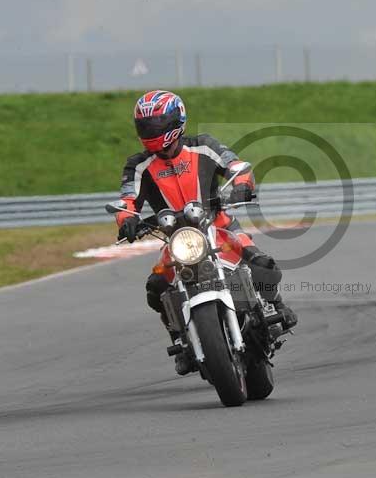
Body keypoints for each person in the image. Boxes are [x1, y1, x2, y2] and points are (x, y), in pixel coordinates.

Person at [114, 90, 297, 375]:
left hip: (219, 225)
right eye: (145, 126)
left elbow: (236, 165)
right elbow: (127, 200)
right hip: (175, 238)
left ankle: (276, 307)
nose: (150, 131)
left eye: (156, 125)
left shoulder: (203, 146)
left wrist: (243, 183)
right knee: (156, 287)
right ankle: (180, 339)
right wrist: (127, 220)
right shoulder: (138, 165)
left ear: (176, 122)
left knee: (261, 263)